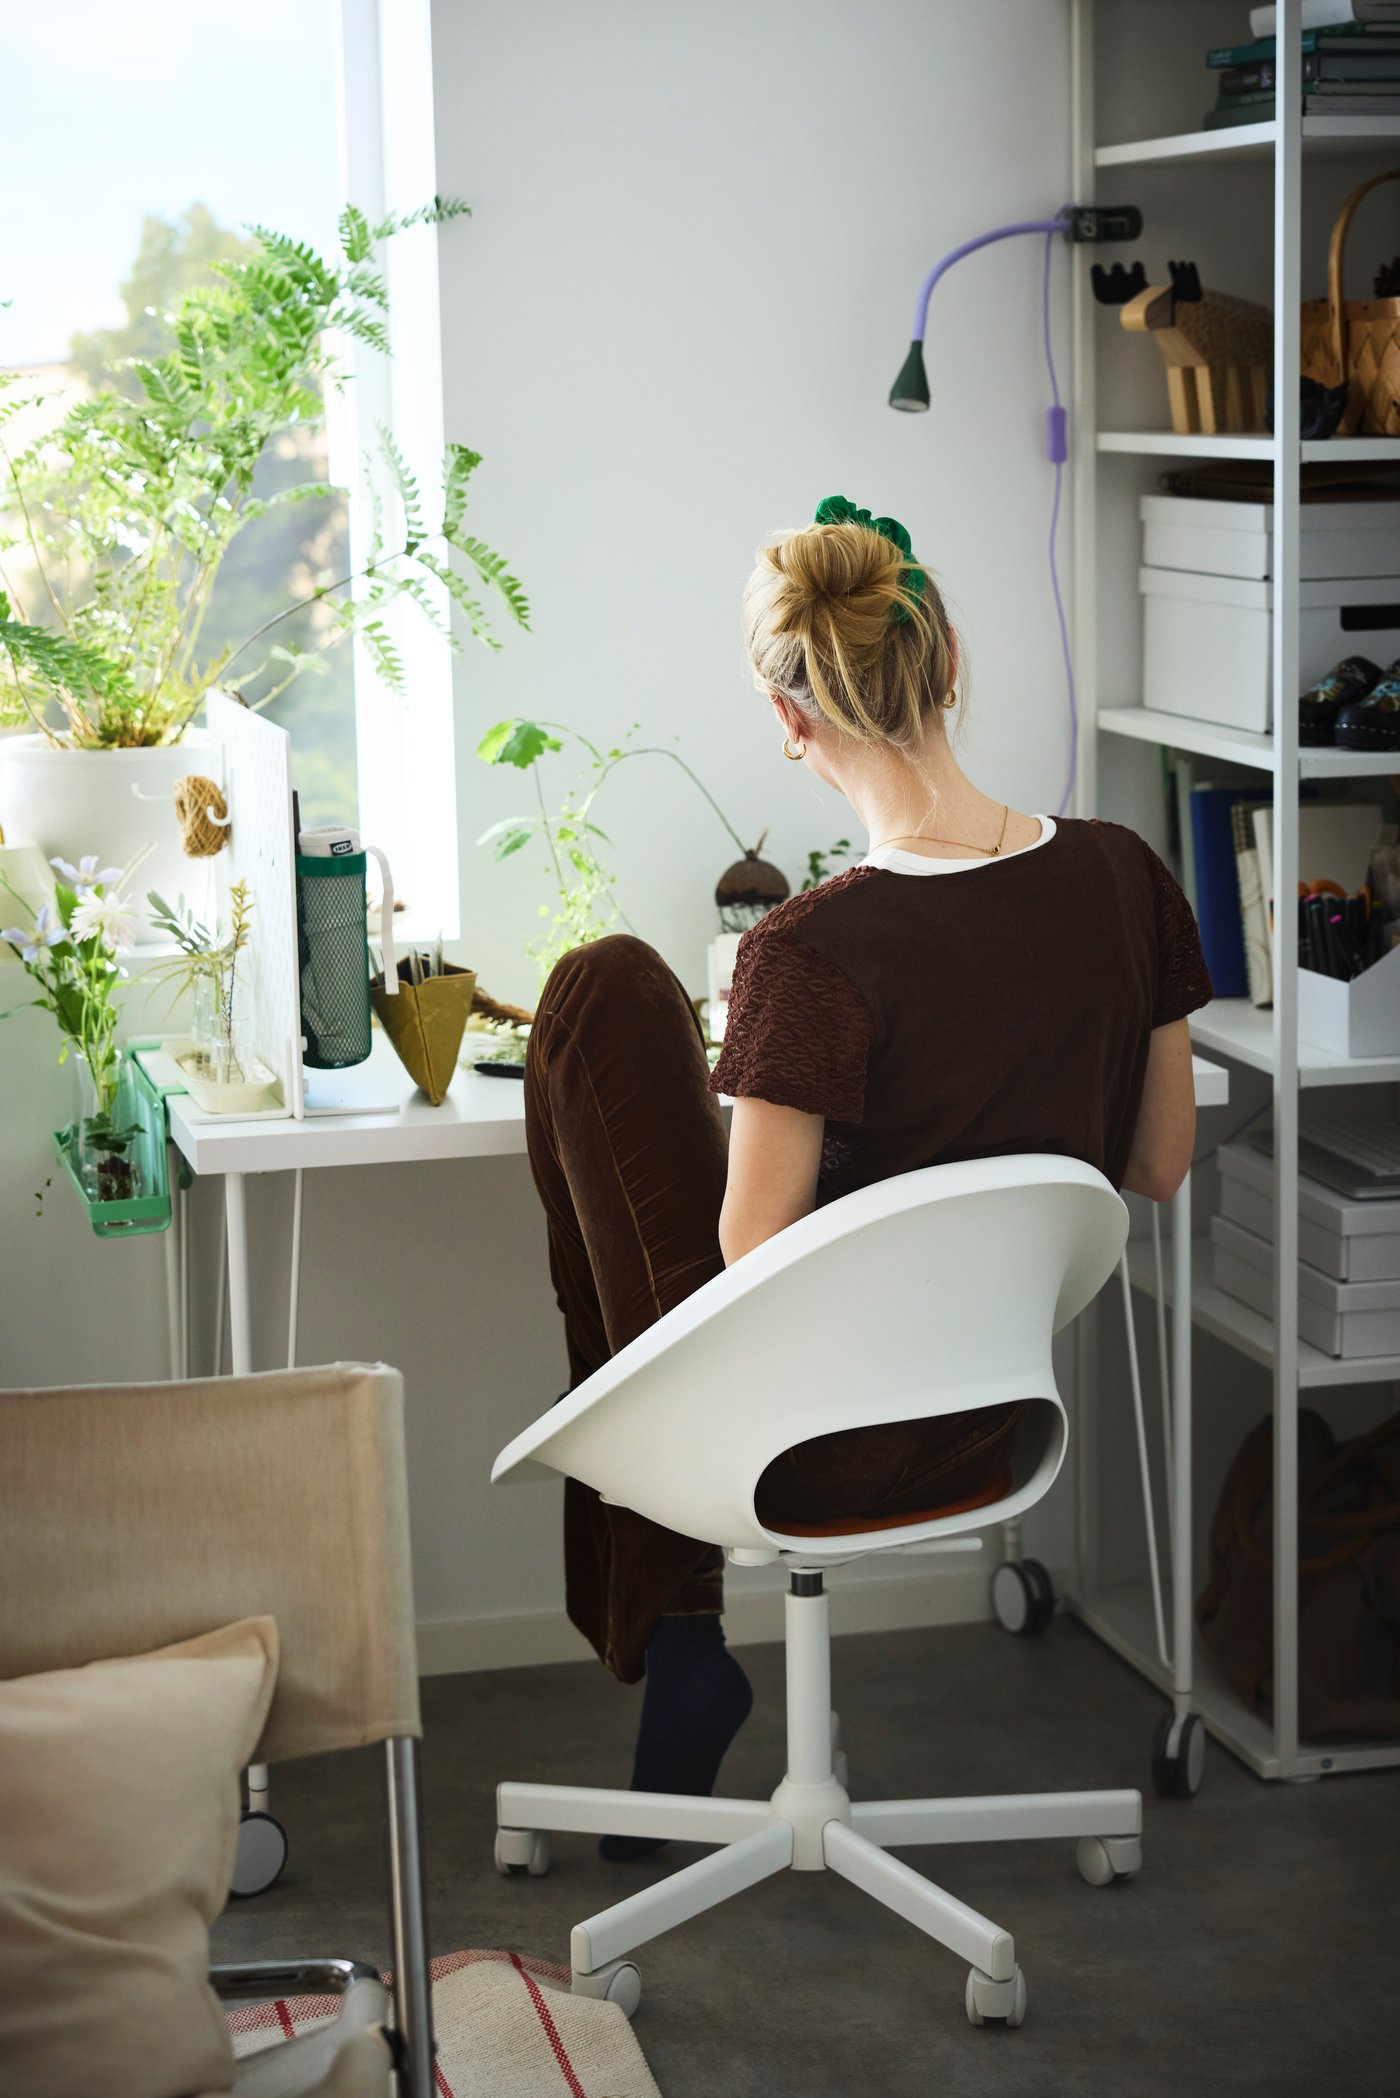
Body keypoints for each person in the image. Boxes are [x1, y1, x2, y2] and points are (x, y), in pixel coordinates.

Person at [523, 495, 1212, 1859]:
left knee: (600, 990)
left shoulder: (805, 952)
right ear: (949, 660)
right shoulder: (1128, 878)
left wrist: (758, 1084)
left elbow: (753, 1253)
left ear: (791, 721)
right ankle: (678, 1641)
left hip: (814, 1437)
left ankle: (678, 1635)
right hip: (991, 1419)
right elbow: (1158, 1161)